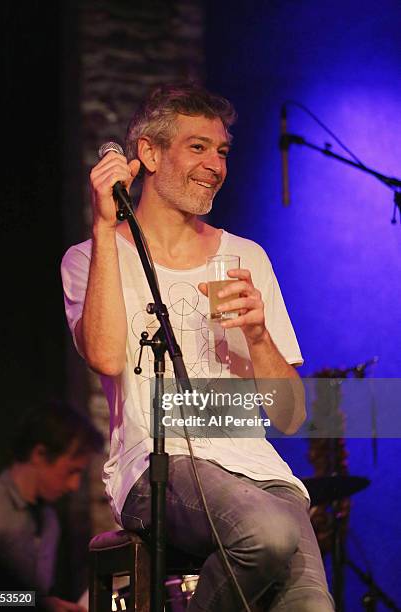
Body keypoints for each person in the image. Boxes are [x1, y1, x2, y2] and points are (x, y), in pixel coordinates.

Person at [61, 83, 334, 611]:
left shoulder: (246, 257)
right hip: (157, 465)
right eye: (198, 147)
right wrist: (102, 225)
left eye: (222, 151)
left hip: (260, 472)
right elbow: (103, 355)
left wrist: (257, 335)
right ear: (149, 152)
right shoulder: (89, 257)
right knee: (267, 535)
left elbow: (292, 416)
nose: (216, 164)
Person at [0, 401, 103, 612]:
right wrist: (36, 602)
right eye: (71, 471)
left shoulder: (48, 518)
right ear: (39, 454)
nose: (74, 485)